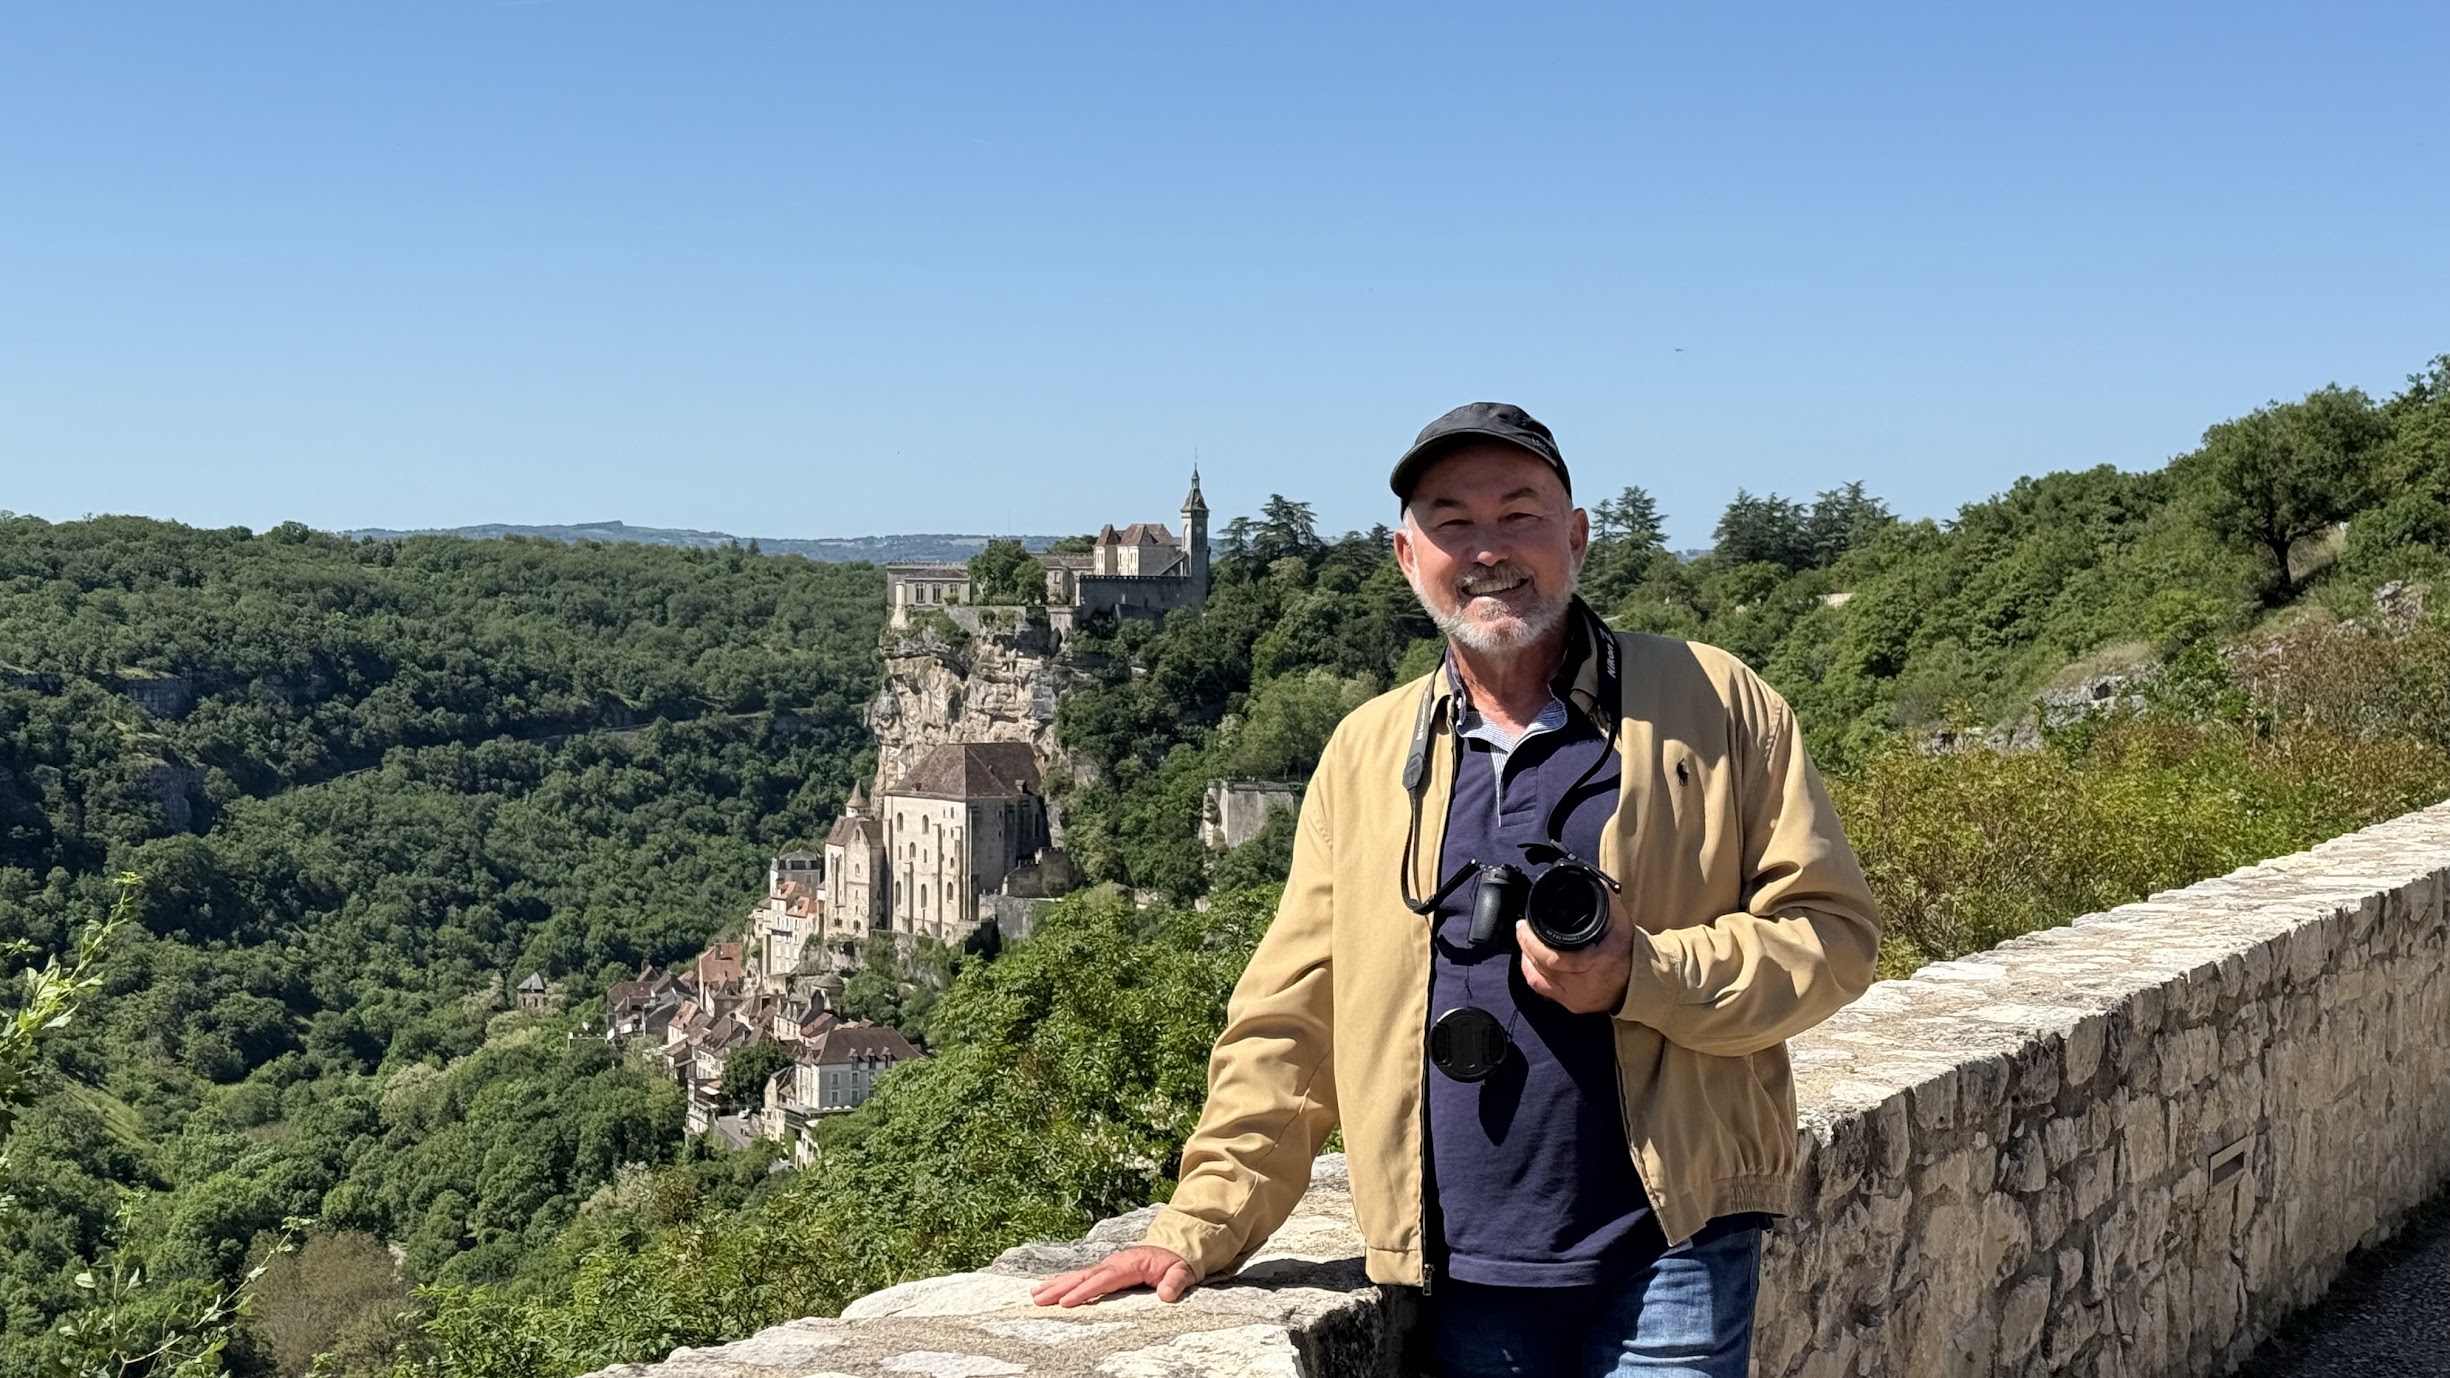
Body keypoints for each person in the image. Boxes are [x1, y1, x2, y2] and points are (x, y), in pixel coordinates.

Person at [1032, 402, 1881, 1377]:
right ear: (1407, 556)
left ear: (1575, 537)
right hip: (1460, 1267)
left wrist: (1639, 973)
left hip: (1675, 1246)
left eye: (1518, 515)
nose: (1487, 550)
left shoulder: (1713, 701)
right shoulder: (1366, 753)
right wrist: (1200, 1223)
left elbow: (1830, 937)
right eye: (1452, 522)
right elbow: (1294, 1013)